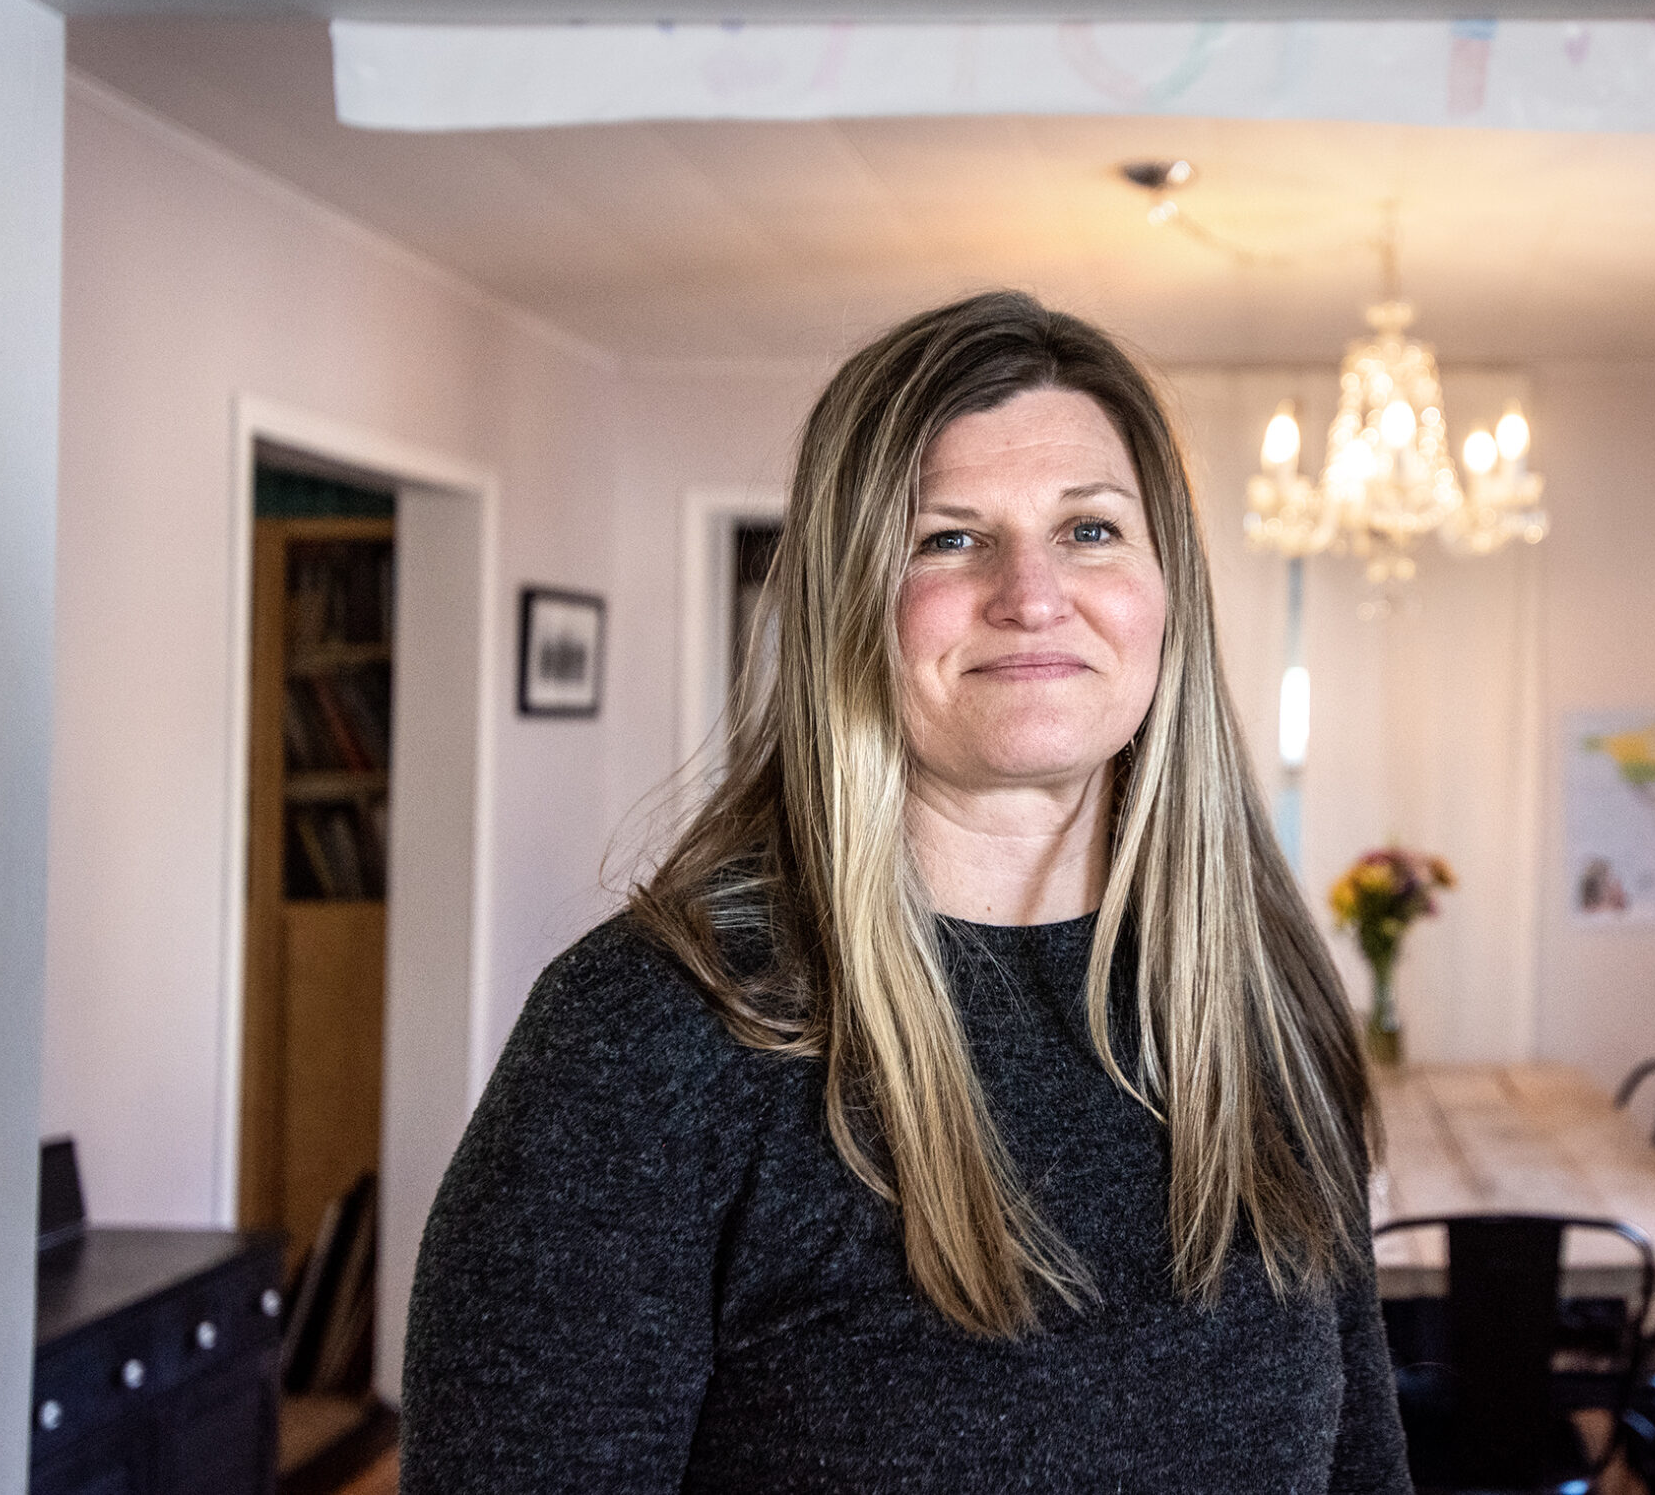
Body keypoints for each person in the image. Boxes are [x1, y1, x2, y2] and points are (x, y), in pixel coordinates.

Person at [401, 291, 1411, 1493]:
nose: (1031, 593)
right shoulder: (647, 1039)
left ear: (1167, 592)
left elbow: (1360, 1468)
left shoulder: (1263, 1003)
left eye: (1090, 530)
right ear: (846, 601)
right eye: (947, 537)